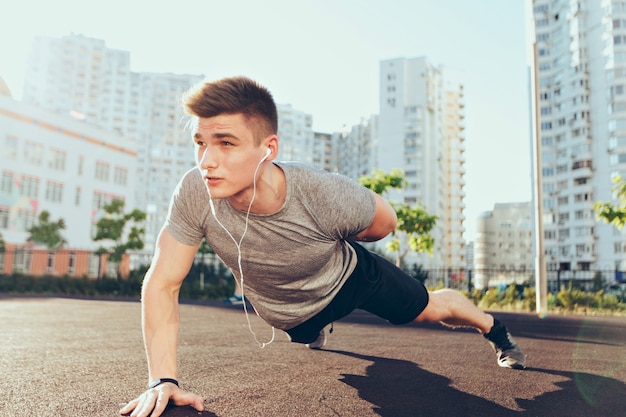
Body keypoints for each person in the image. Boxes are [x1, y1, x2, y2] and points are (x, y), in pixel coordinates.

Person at [120, 76, 526, 417]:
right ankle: (321, 327)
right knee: (322, 345)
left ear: (269, 149)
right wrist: (163, 380)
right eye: (200, 142)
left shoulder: (322, 193)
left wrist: (341, 236)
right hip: (291, 315)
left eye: (225, 143)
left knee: (428, 310)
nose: (207, 160)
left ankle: (496, 330)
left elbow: (385, 222)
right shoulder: (195, 192)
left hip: (350, 278)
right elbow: (162, 284)